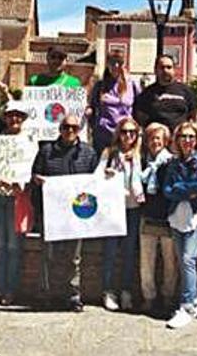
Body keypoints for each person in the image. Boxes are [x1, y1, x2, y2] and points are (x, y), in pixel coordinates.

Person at [30, 114, 99, 312]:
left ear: (79, 130)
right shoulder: (46, 151)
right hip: (50, 211)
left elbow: (94, 183)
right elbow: (34, 174)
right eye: (66, 127)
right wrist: (38, 179)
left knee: (74, 257)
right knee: (47, 255)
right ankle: (44, 294)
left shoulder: (88, 152)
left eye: (74, 128)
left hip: (76, 213)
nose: (70, 131)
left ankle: (73, 295)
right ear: (60, 129)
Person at [163, 122, 197, 329]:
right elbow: (167, 189)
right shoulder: (174, 163)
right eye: (183, 136)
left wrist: (179, 188)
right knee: (181, 259)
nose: (187, 140)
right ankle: (192, 300)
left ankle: (187, 305)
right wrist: (185, 190)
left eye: (191, 137)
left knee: (187, 259)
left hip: (195, 214)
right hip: (177, 214)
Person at [0, 101, 33, 307]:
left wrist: (16, 183)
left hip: (16, 198)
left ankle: (10, 290)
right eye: (10, 115)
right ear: (5, 118)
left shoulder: (30, 141)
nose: (14, 119)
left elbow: (30, 168)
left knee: (14, 247)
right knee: (0, 246)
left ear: (23, 119)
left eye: (18, 116)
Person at [97, 117, 145, 312]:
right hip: (112, 209)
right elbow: (96, 176)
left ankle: (126, 290)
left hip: (133, 208)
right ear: (118, 133)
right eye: (124, 132)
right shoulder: (109, 153)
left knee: (128, 252)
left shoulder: (140, 155)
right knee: (109, 252)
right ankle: (108, 291)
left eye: (132, 132)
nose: (128, 136)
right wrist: (107, 174)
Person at [139, 122, 178, 316]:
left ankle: (168, 296)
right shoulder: (141, 161)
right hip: (147, 216)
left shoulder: (171, 162)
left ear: (165, 141)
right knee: (146, 261)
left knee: (170, 261)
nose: (155, 142)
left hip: (168, 217)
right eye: (152, 138)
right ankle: (149, 296)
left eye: (158, 138)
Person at [86, 50, 141, 156]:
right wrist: (91, 116)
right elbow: (92, 106)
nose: (116, 66)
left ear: (124, 64)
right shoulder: (99, 85)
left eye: (119, 63)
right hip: (103, 136)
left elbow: (139, 108)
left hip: (125, 135)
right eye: (112, 62)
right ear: (107, 64)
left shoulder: (132, 85)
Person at [133, 55, 197, 133]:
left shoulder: (186, 91)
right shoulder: (146, 94)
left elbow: (193, 117)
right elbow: (141, 121)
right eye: (162, 67)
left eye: (169, 67)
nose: (165, 70)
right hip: (156, 140)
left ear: (174, 70)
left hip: (179, 140)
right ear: (155, 70)